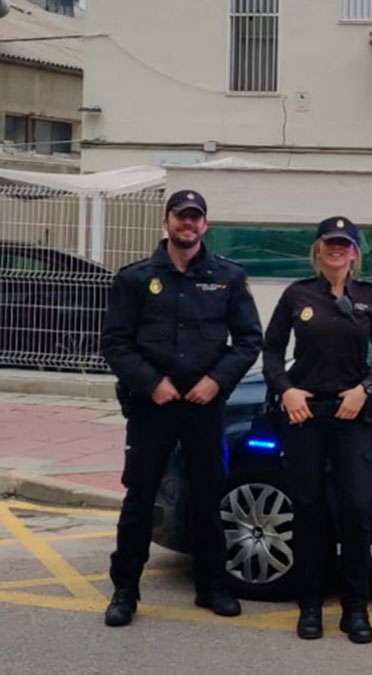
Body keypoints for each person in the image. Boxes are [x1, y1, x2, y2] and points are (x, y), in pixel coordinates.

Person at [100, 189, 263, 626]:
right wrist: (152, 383)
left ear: (205, 225)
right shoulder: (135, 278)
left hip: (203, 406)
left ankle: (212, 586)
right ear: (167, 221)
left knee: (208, 498)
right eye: (180, 216)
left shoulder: (228, 277)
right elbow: (115, 343)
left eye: (195, 217)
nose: (187, 224)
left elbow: (249, 340)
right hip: (152, 406)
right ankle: (124, 591)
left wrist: (216, 381)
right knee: (140, 499)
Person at [262, 216, 372, 644]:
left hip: (351, 415)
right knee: (308, 511)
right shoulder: (296, 295)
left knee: (355, 510)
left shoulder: (371, 297)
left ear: (355, 252)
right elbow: (271, 351)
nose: (337, 250)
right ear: (318, 249)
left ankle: (355, 610)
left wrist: (366, 388)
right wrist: (286, 391)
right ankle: (309, 607)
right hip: (305, 416)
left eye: (345, 244)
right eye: (330, 243)